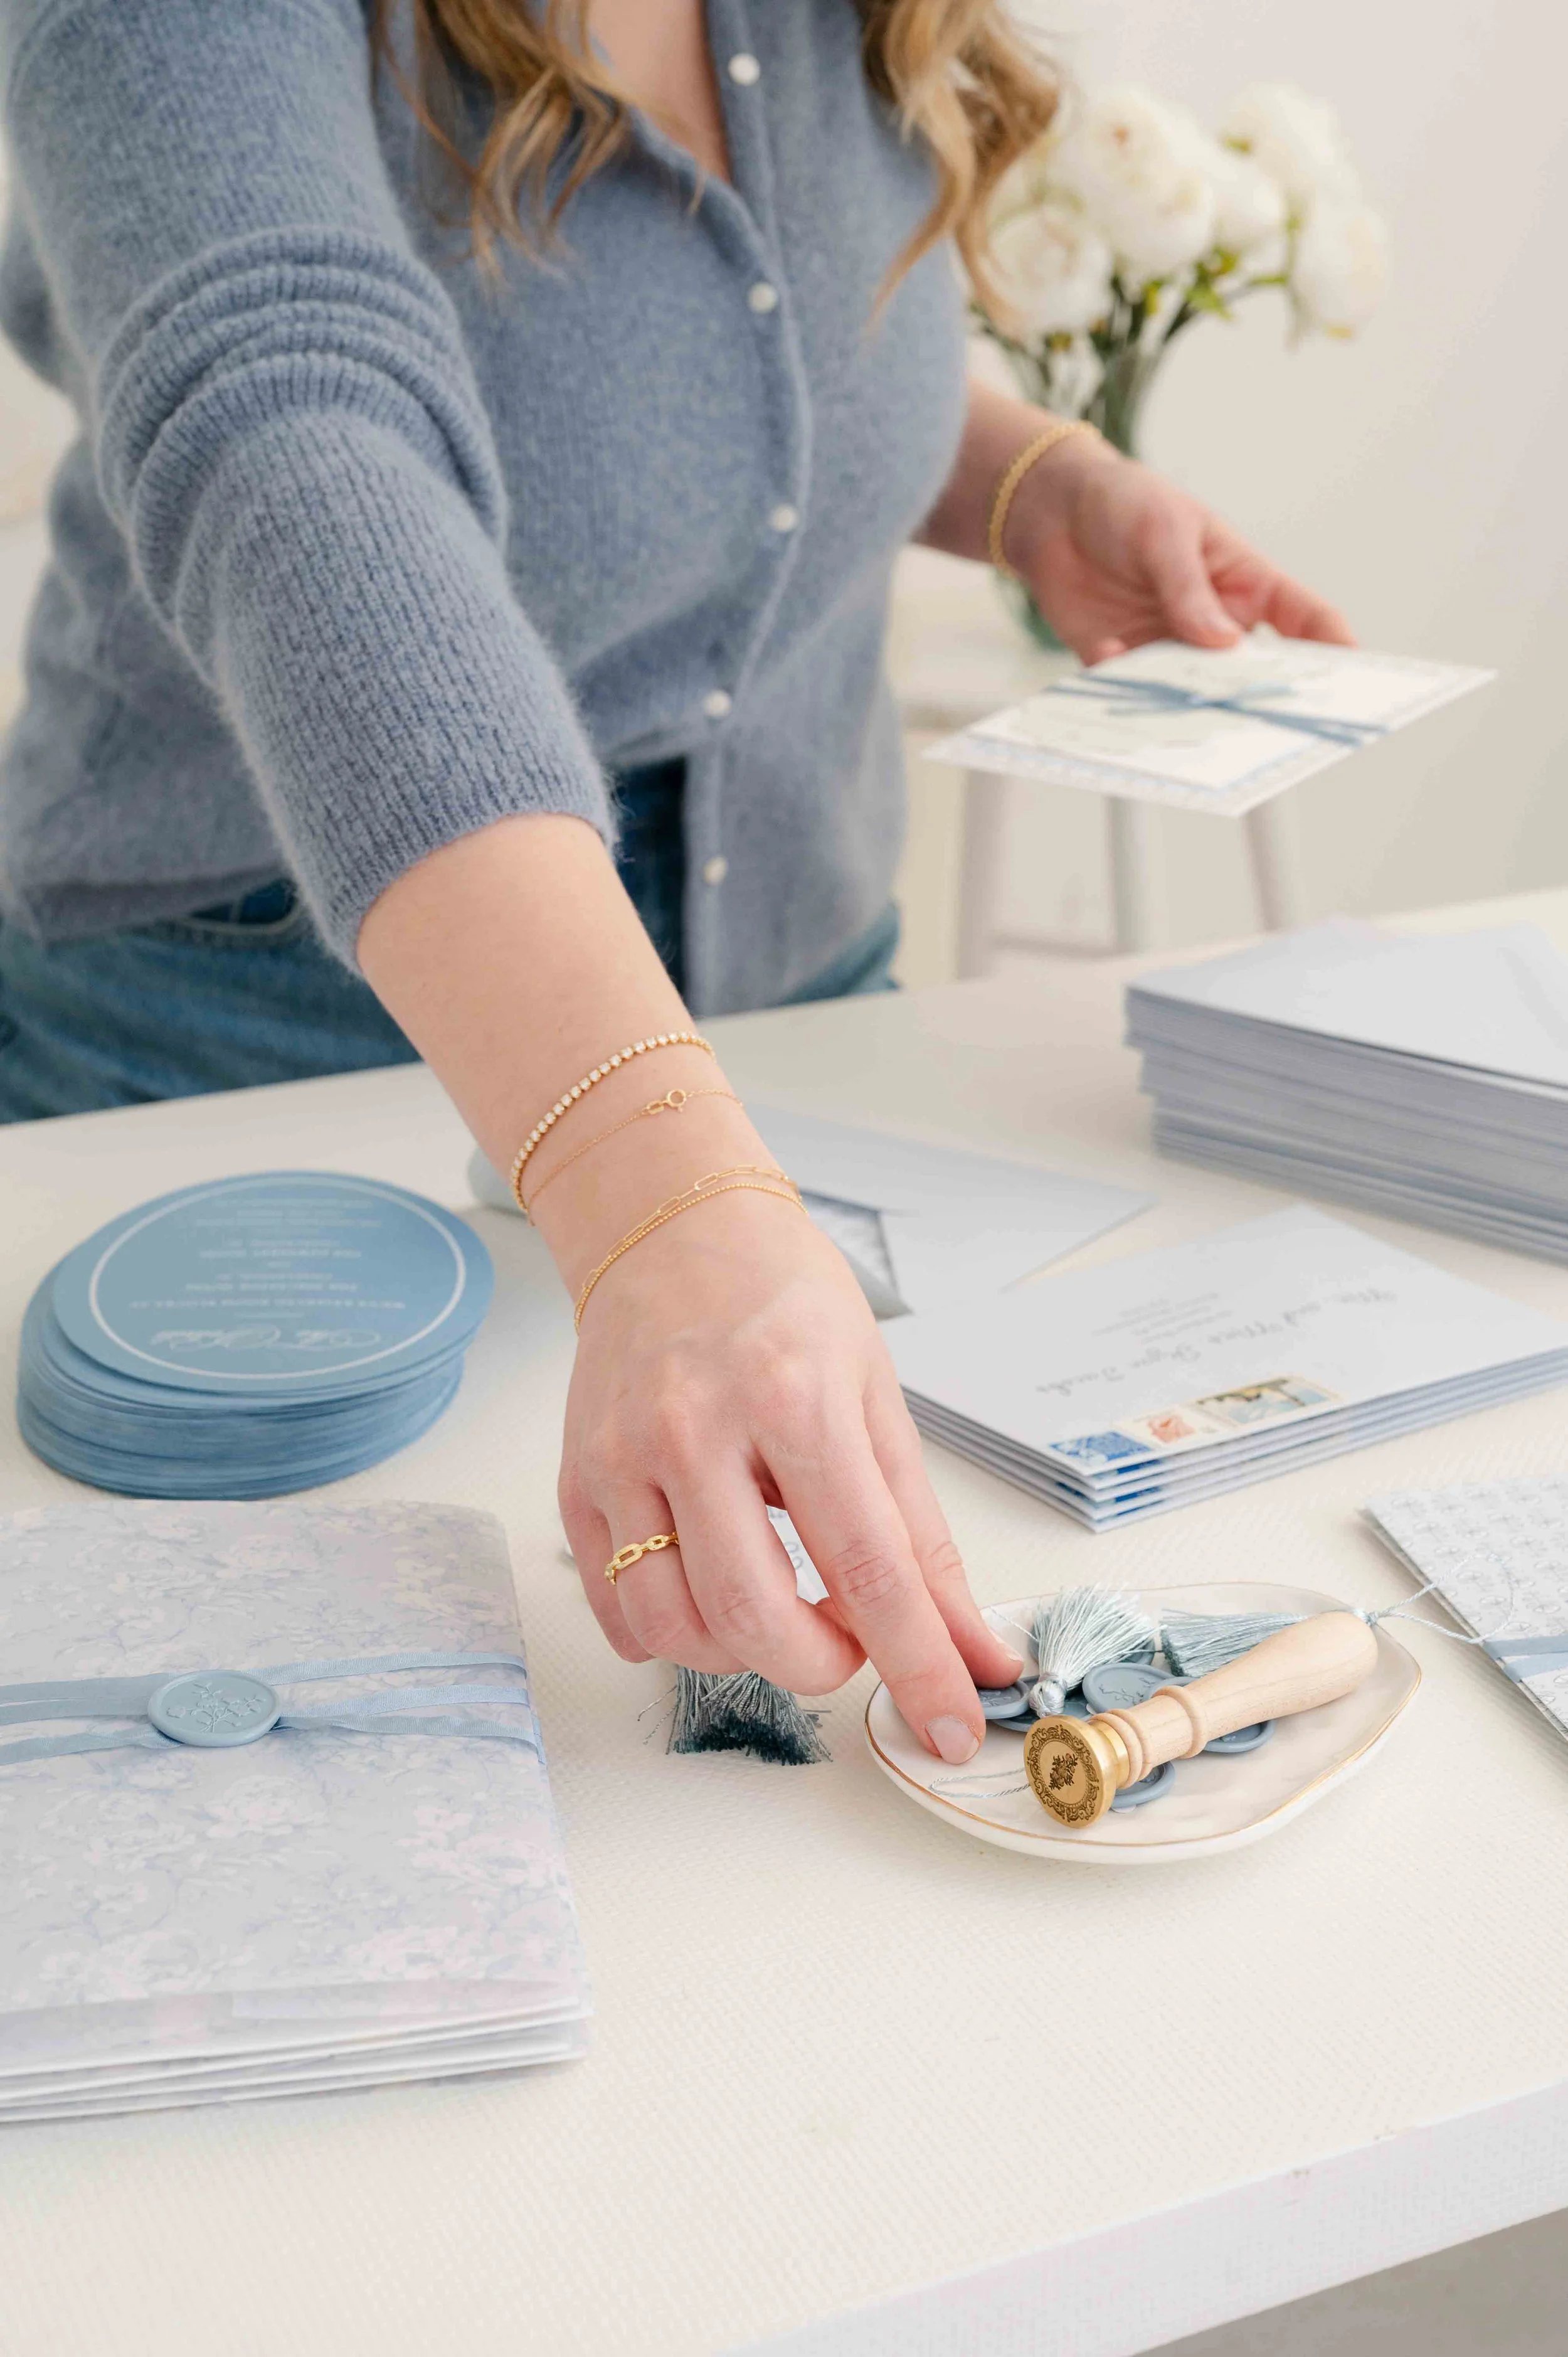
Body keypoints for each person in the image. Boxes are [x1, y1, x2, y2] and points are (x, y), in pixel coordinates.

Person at [0, 0, 1352, 1763]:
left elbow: (737, 353)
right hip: (244, 1061)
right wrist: (659, 1194)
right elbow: (286, 425)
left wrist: (1024, 481)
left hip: (793, 1030)